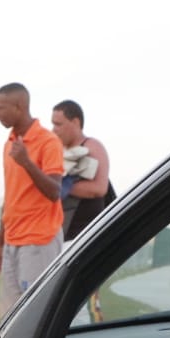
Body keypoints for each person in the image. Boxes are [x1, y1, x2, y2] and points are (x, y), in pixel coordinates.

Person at [0, 83, 64, 316]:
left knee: (35, 313)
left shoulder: (48, 141)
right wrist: (0, 244)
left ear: (19, 106)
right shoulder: (10, 144)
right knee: (9, 314)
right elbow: (11, 196)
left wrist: (26, 162)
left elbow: (54, 191)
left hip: (38, 240)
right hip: (13, 240)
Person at [50, 100, 115, 241]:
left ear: (75, 122)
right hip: (60, 231)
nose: (53, 130)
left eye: (58, 124)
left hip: (85, 232)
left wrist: (59, 186)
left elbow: (99, 188)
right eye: (53, 124)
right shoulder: (57, 150)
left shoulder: (92, 147)